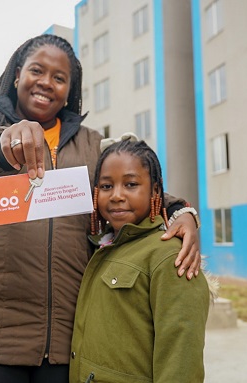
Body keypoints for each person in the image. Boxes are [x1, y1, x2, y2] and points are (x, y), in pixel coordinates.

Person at [0, 34, 202, 383]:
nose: (46, 83)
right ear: (18, 73)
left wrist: (179, 210)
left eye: (59, 78)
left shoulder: (92, 143)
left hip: (66, 337)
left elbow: (129, 184)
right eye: (37, 70)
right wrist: (3, 144)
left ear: (70, 90)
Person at [69, 139, 210, 383]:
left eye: (131, 184)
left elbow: (181, 357)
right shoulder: (103, 248)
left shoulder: (169, 256)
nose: (116, 196)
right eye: (106, 186)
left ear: (156, 191)